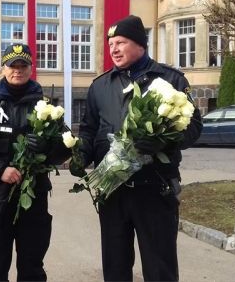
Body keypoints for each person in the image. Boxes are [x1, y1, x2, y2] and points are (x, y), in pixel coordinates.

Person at [77, 15, 203, 282]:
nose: (113, 49)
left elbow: (193, 128)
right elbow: (88, 129)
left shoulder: (170, 80)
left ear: (140, 44)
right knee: (115, 266)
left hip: (155, 189)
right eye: (111, 43)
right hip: (112, 192)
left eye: (120, 42)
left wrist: (164, 141)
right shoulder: (100, 86)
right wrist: (81, 155)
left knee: (160, 269)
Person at [0, 44, 71, 281]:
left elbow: (66, 146)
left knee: (32, 267)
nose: (18, 70)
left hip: (33, 197)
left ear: (31, 68)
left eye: (23, 65)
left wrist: (48, 148)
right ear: (3, 69)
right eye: (13, 65)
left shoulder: (47, 108)